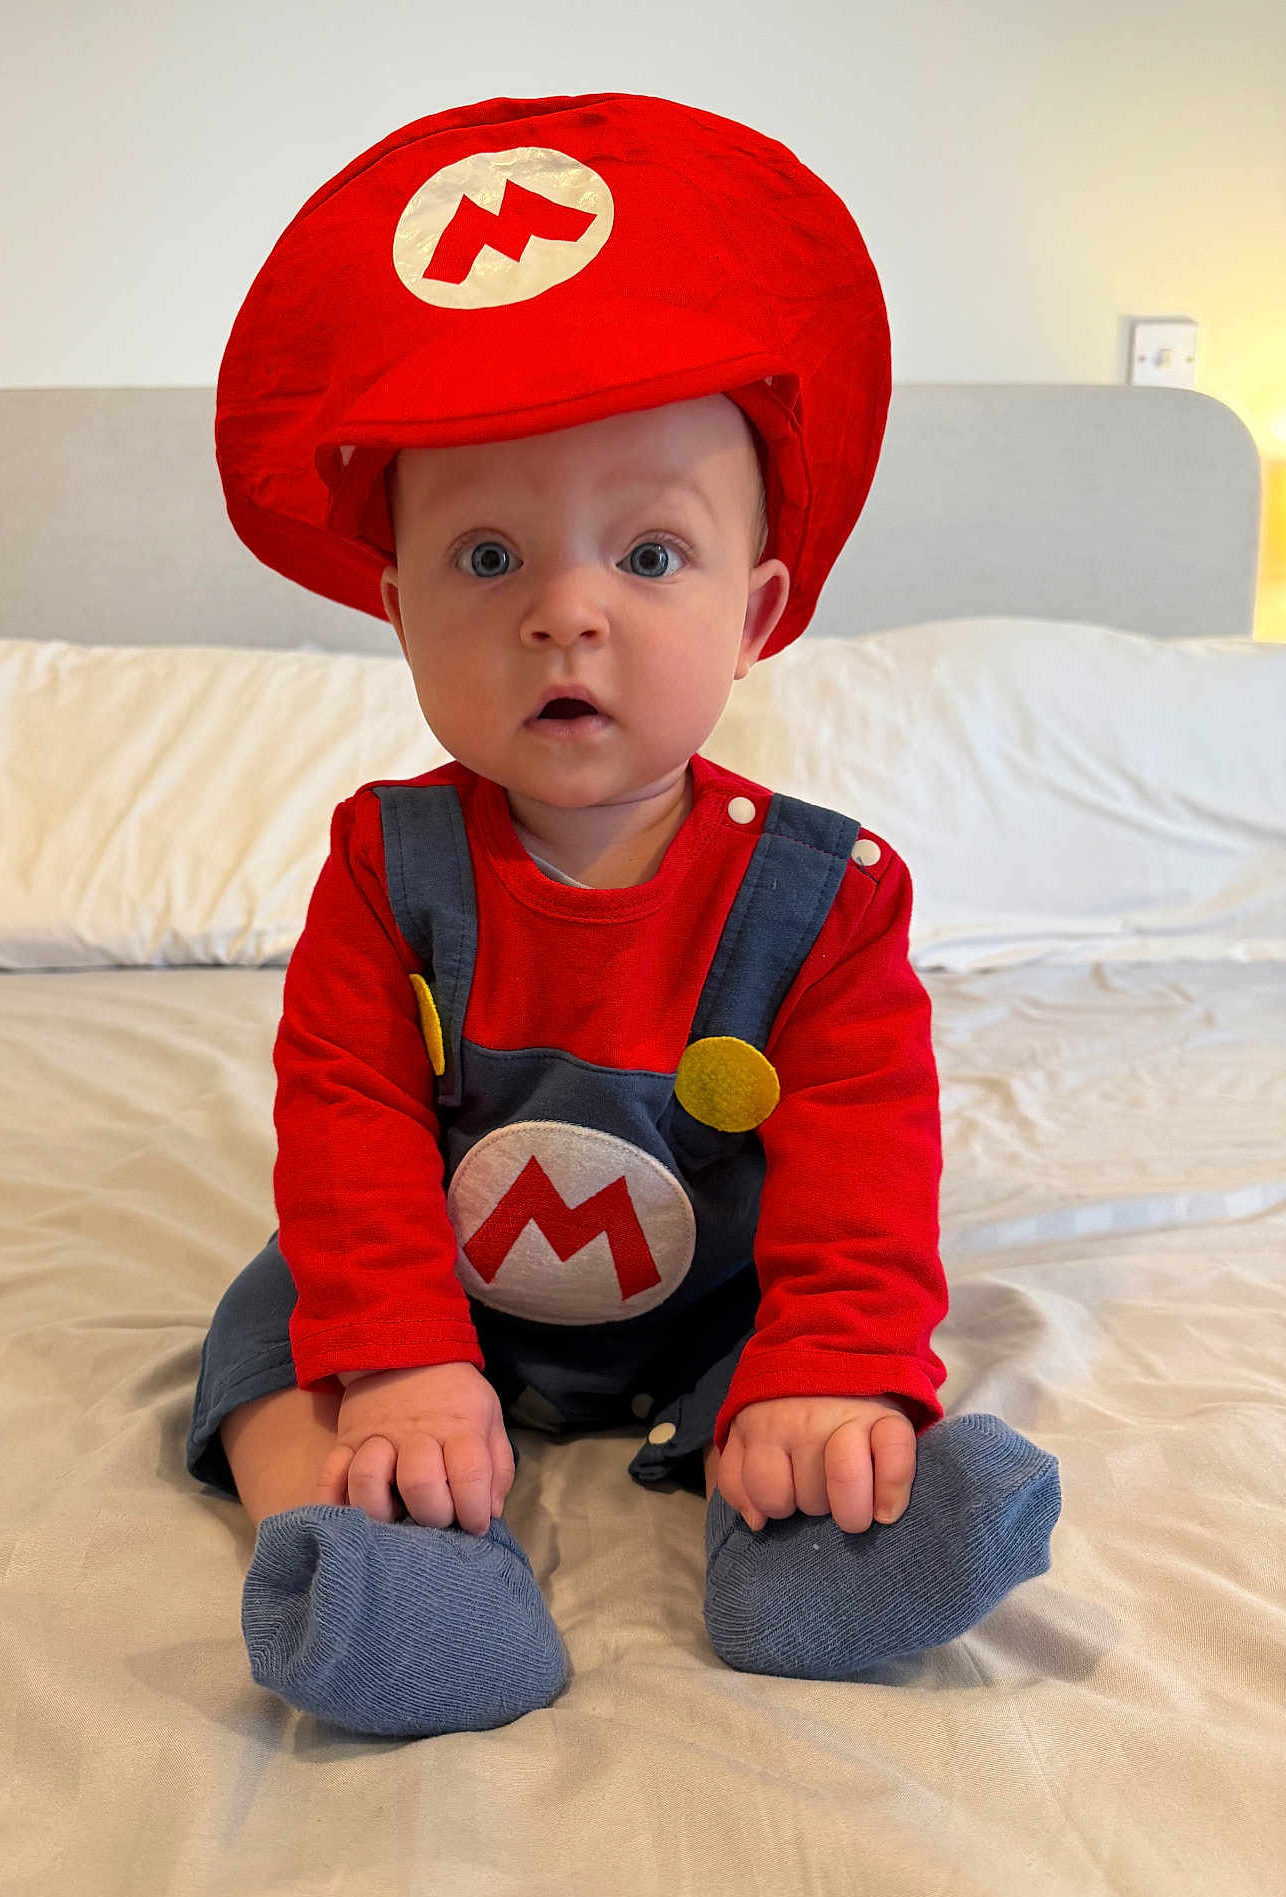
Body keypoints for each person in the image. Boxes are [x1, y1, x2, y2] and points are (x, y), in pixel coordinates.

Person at [188, 91, 1062, 1738]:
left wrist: (831, 1363)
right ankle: (378, 1556)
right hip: (448, 1282)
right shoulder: (384, 867)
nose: (567, 611)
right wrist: (402, 1356)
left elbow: (864, 1163)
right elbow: (350, 1113)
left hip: (710, 1285)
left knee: (813, 1354)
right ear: (395, 607)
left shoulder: (829, 900)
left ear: (760, 611)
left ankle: (819, 1539)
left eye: (652, 556)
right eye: (488, 558)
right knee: (279, 1314)